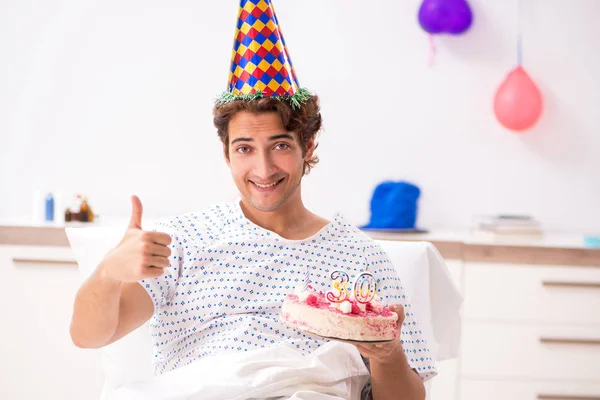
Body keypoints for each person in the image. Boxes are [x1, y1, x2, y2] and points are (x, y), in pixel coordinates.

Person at [70, 1, 436, 399]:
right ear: (226, 153)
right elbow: (89, 336)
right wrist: (109, 272)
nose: (263, 169)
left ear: (307, 145)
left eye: (279, 145)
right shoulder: (182, 240)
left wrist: (387, 355)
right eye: (245, 149)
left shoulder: (360, 258)